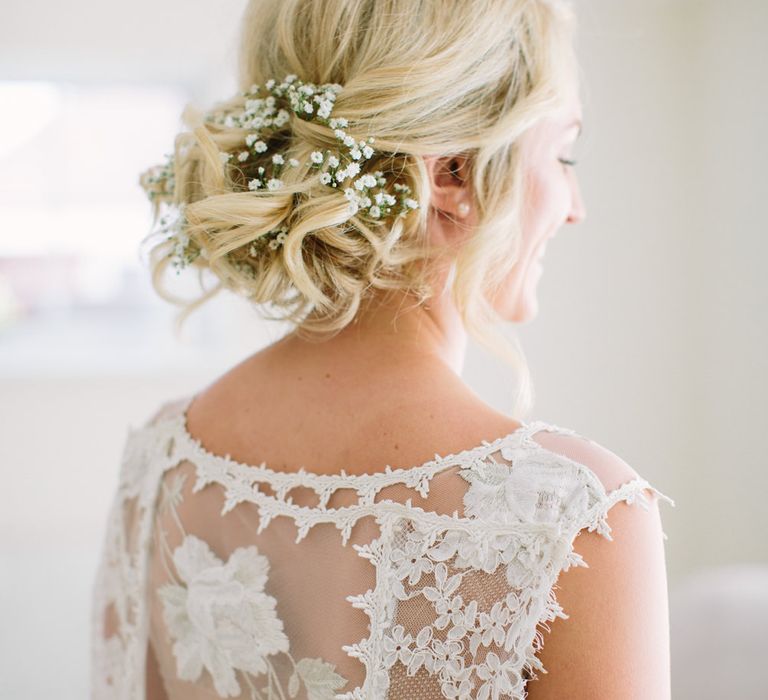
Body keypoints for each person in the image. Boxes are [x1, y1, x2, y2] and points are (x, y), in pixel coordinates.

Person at [91, 0, 675, 698]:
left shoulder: (160, 463)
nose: (575, 204)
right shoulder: (577, 519)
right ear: (452, 173)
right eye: (562, 154)